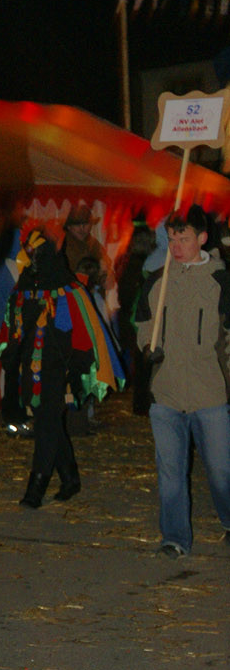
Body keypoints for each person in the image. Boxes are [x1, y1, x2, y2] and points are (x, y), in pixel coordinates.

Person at [0, 228, 123, 508]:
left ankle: (36, 487)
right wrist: (12, 360)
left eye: (36, 253)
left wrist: (78, 369)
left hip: (57, 369)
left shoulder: (69, 291)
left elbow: (83, 332)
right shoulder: (23, 288)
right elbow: (14, 329)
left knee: (46, 423)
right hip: (31, 366)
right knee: (47, 421)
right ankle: (69, 478)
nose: (32, 259)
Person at [136, 205, 230, 556]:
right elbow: (143, 323)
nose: (176, 245)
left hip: (210, 392)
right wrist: (148, 346)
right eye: (172, 238)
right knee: (171, 473)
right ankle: (175, 538)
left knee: (221, 471)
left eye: (184, 238)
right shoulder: (158, 281)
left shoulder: (221, 281)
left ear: (202, 239)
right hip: (167, 392)